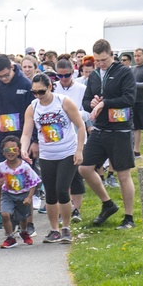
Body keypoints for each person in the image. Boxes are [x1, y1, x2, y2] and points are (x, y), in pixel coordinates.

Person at [79, 38, 136, 229]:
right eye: (97, 61)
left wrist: (106, 102)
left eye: (103, 60)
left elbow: (129, 98)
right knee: (84, 168)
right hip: (100, 129)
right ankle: (107, 203)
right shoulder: (94, 75)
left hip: (120, 129)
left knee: (123, 175)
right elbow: (86, 101)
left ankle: (129, 217)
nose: (101, 64)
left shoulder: (124, 72)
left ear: (112, 55)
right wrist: (92, 103)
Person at [21, 73, 86, 243]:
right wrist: (23, 149)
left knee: (62, 190)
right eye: (34, 92)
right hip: (47, 154)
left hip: (67, 152)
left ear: (50, 87)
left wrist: (79, 150)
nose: (38, 96)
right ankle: (54, 229)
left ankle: (66, 227)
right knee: (50, 194)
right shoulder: (33, 107)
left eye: (41, 91)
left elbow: (80, 126)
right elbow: (27, 133)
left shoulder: (63, 102)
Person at [0, 53, 34, 228]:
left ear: (13, 68)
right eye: (0, 76)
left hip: (21, 139)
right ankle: (2, 213)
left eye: (6, 75)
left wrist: (33, 141)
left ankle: (27, 222)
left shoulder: (25, 84)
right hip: (1, 139)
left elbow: (33, 114)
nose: (4, 79)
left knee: (22, 183)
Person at [0, 136, 42, 248]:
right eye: (7, 150)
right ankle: (10, 237)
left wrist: (29, 197)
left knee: (23, 218)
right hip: (7, 195)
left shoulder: (25, 167)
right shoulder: (1, 166)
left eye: (14, 150)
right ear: (3, 152)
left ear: (18, 151)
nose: (11, 152)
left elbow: (34, 182)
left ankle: (24, 232)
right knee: (5, 214)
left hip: (22, 195)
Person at [53, 58, 88, 226]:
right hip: (57, 138)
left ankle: (77, 209)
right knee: (60, 177)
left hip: (76, 136)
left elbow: (88, 113)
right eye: (60, 76)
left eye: (67, 75)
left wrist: (74, 115)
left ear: (73, 73)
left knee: (76, 174)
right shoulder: (53, 89)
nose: (64, 79)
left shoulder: (81, 89)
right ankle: (62, 209)